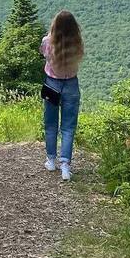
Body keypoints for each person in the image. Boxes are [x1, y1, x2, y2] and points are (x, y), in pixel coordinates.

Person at [40, 10, 84, 182]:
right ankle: (65, 165)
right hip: (71, 85)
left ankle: (51, 160)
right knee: (68, 127)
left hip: (51, 83)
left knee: (50, 124)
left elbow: (43, 53)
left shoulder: (47, 41)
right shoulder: (77, 43)